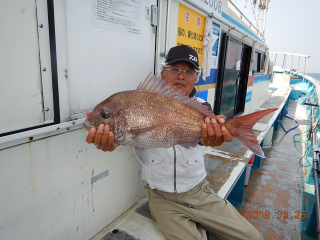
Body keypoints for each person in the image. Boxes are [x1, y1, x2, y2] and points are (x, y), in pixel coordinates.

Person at [86, 45, 263, 240]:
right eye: (175, 69)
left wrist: (215, 137)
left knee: (252, 237)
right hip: (162, 199)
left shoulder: (202, 108)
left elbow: (205, 139)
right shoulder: (136, 106)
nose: (181, 76)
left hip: (200, 193)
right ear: (163, 74)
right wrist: (108, 143)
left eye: (188, 71)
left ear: (195, 78)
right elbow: (117, 140)